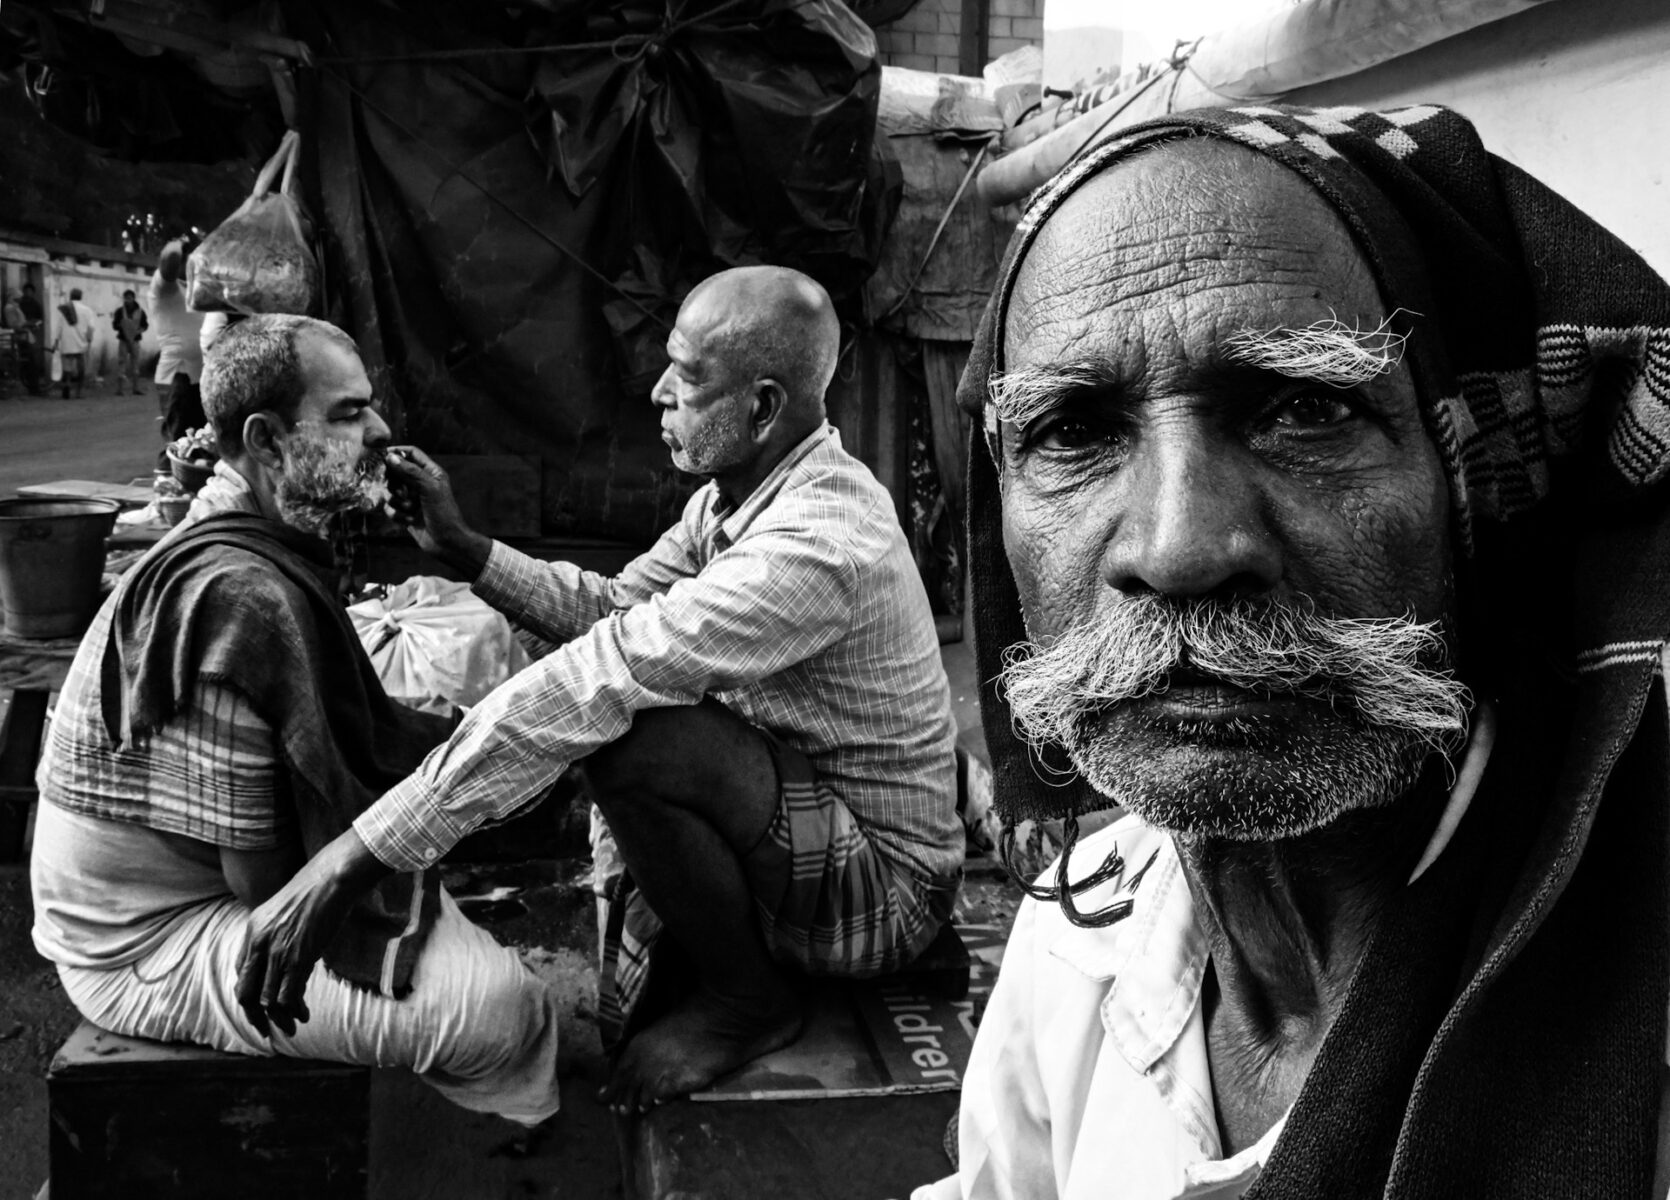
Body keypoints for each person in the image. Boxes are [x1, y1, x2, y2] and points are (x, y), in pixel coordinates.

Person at [915, 104, 1670, 1199]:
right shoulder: (1078, 927)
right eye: (1074, 430)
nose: (1177, 547)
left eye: (1303, 408)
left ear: (1473, 494)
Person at [232, 266, 964, 1113]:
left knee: (629, 734)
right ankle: (732, 969)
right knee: (620, 711)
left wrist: (351, 860)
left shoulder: (816, 544)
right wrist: (466, 549)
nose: (657, 392)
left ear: (762, 409)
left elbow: (600, 670)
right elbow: (613, 608)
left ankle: (749, 1005)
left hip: (887, 892)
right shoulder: (739, 497)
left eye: (686, 379)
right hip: (807, 821)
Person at [30, 313, 562, 1126]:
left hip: (191, 892)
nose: (381, 430)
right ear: (269, 443)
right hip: (138, 945)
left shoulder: (247, 542)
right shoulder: (239, 600)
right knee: (501, 1008)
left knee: (411, 865)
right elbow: (263, 886)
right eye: (349, 413)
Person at [149, 238, 208, 443]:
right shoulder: (165, 288)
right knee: (178, 438)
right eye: (189, 261)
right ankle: (166, 473)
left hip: (200, 375)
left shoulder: (194, 292)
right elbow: (169, 260)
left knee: (199, 439)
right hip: (178, 375)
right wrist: (178, 244)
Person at [51, 287, 96, 399]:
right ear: (81, 297)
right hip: (81, 342)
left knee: (67, 366)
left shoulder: (64, 309)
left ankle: (67, 384)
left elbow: (59, 327)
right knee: (81, 367)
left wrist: (56, 341)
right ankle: (78, 392)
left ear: (70, 296)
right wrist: (89, 340)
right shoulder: (87, 310)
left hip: (67, 341)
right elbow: (91, 327)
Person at [111, 287, 149, 396]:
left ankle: (135, 388)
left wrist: (138, 331)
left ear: (133, 298)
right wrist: (122, 326)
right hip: (123, 339)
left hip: (135, 340)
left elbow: (145, 325)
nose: (128, 300)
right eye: (126, 298)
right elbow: (114, 325)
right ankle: (120, 389)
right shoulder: (119, 311)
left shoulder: (140, 312)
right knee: (122, 363)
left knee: (135, 364)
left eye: (129, 298)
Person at [3, 292, 36, 394]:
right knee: (31, 362)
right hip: (21, 337)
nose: (20, 300)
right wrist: (26, 324)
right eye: (18, 298)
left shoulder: (14, 307)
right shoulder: (10, 308)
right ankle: (33, 388)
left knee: (31, 361)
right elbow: (13, 324)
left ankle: (32, 385)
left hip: (24, 335)